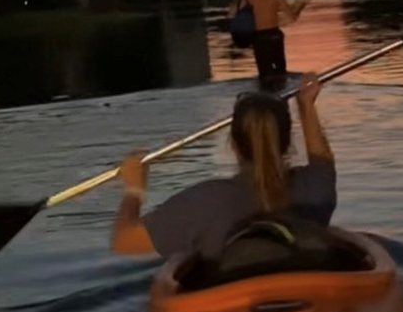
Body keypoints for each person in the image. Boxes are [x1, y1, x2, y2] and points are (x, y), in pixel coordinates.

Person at [112, 73, 334, 259]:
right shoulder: (316, 190)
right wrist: (306, 107)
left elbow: (124, 242)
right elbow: (322, 161)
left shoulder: (206, 202)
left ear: (234, 144)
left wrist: (134, 190)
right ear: (287, 142)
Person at [229, 0, 310, 88]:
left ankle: (267, 101)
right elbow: (292, 19)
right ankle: (282, 100)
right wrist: (301, 6)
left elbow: (232, 13)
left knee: (264, 76)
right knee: (281, 75)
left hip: (259, 38)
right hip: (275, 36)